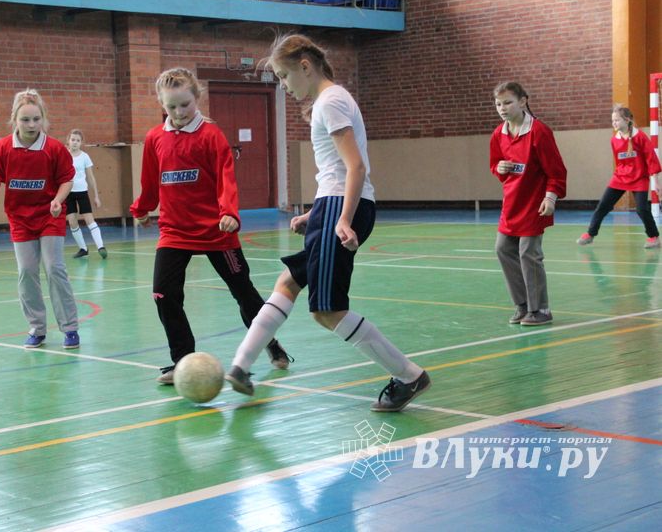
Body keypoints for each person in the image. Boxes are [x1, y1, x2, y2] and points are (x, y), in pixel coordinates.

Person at [225, 35, 429, 413]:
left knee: (327, 311)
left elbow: (355, 166)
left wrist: (343, 218)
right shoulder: (328, 101)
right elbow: (337, 172)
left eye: (285, 77)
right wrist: (316, 214)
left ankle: (409, 375)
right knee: (287, 282)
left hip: (342, 207)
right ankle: (241, 366)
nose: (284, 87)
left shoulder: (332, 100)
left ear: (305, 65)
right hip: (330, 205)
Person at [130, 67, 293, 384]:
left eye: (185, 105)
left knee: (244, 293)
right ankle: (182, 360)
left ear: (197, 98)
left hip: (217, 232)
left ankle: (269, 342)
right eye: (171, 107)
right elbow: (150, 180)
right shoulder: (154, 139)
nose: (178, 112)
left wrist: (229, 211)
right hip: (174, 231)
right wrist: (142, 208)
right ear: (163, 105)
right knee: (164, 293)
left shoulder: (211, 136)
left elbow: (225, 178)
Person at [0, 88, 81, 349]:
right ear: (15, 120)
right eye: (25, 120)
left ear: (43, 119)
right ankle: (37, 328)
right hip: (20, 219)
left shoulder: (54, 148)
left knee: (54, 268)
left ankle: (69, 328)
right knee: (26, 271)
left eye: (36, 119)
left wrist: (58, 199)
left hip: (50, 216)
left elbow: (67, 179)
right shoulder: (3, 148)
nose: (32, 124)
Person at [490, 82, 567, 327]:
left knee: (529, 254)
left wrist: (550, 198)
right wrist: (499, 168)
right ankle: (523, 305)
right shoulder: (498, 135)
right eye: (498, 103)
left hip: (535, 204)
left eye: (508, 102)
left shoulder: (539, 132)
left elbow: (557, 171)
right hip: (511, 204)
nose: (502, 108)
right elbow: (496, 166)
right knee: (503, 249)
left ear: (523, 102)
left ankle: (540, 308)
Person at [577, 105, 661, 249]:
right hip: (620, 177)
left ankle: (653, 236)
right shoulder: (614, 140)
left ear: (626, 120)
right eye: (612, 120)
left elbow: (651, 159)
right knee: (603, 206)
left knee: (642, 209)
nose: (614, 123)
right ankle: (590, 234)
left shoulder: (640, 137)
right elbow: (619, 162)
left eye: (617, 120)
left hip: (639, 178)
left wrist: (656, 181)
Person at [66, 129, 108, 259]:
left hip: (82, 192)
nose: (75, 143)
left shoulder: (84, 157)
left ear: (81, 143)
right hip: (68, 193)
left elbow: (90, 177)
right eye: (73, 140)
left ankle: (100, 246)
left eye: (78, 140)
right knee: (72, 222)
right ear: (68, 140)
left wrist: (96, 196)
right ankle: (83, 249)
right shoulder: (64, 155)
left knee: (89, 220)